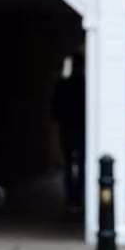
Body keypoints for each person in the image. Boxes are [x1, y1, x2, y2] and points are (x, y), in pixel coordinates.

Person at [52, 49, 86, 211]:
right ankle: (77, 198)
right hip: (78, 129)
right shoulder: (85, 85)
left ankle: (71, 199)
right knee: (80, 165)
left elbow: (55, 108)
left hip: (67, 128)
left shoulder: (63, 84)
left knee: (69, 165)